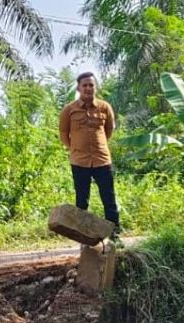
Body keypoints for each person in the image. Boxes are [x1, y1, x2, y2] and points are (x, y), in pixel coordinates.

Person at [58, 72, 120, 236]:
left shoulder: (104, 107)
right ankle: (83, 236)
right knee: (82, 201)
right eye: (84, 85)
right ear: (78, 88)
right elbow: (63, 133)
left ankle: (114, 235)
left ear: (95, 87)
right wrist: (75, 148)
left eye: (91, 85)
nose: (88, 88)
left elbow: (109, 130)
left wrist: (99, 146)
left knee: (109, 199)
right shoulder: (69, 110)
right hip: (79, 162)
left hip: (102, 160)